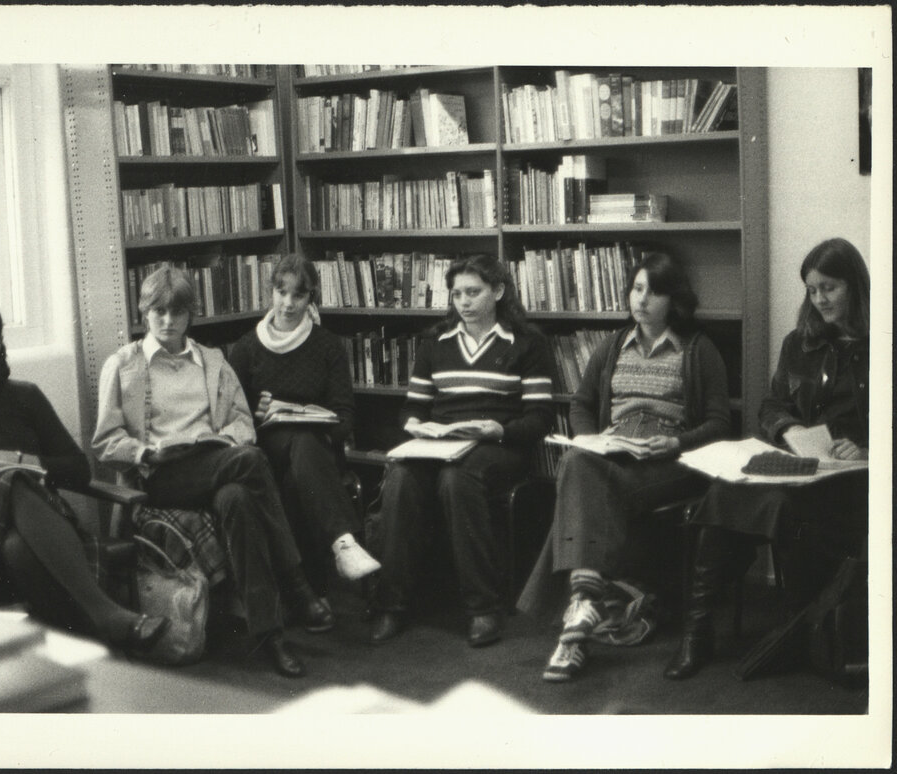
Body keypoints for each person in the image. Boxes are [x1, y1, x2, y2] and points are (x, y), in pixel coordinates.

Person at [92, 266, 333, 678]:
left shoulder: (213, 362)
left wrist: (223, 440)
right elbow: (106, 441)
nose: (168, 321)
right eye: (159, 312)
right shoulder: (123, 365)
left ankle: (270, 636)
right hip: (161, 477)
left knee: (237, 497)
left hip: (214, 467)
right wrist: (145, 452)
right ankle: (297, 584)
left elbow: (242, 423)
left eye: (178, 312)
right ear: (144, 312)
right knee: (251, 461)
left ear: (191, 314)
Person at [517, 252, 731, 682]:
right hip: (615, 451)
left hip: (670, 461)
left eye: (654, 292)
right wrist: (589, 438)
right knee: (579, 460)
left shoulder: (697, 349)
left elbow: (719, 423)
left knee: (580, 475)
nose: (642, 299)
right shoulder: (614, 344)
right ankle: (580, 614)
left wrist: (675, 442)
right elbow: (581, 405)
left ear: (674, 300)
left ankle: (580, 607)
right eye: (637, 288)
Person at [664, 237, 870, 680]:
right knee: (724, 491)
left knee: (779, 505)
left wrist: (867, 447)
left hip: (852, 480)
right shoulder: (800, 343)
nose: (819, 299)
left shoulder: (881, 343)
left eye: (829, 288)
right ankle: (697, 632)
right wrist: (788, 429)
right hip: (801, 464)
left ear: (855, 285)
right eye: (812, 290)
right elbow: (772, 405)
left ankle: (800, 628)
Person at [0, 298, 169, 651]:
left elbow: (78, 470)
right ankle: (106, 620)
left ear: (0, 345)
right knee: (9, 478)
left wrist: (14, 458)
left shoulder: (25, 396)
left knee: (16, 543)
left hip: (37, 521)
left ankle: (85, 646)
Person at [369, 253, 555, 647]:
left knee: (458, 478)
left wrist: (499, 429)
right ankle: (391, 605)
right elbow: (414, 405)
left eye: (473, 292)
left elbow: (540, 418)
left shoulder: (527, 343)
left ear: (498, 292)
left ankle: (482, 608)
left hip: (498, 446)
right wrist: (414, 424)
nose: (464, 302)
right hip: (441, 443)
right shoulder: (436, 342)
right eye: (457, 294)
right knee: (401, 477)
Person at [228, 254, 380, 589]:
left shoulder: (328, 346)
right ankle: (344, 544)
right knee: (300, 447)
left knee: (302, 456)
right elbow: (232, 416)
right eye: (281, 292)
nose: (288, 303)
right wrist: (256, 412)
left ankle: (308, 596)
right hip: (265, 452)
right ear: (270, 292)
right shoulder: (246, 348)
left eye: (298, 295)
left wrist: (321, 428)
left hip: (318, 450)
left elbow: (345, 415)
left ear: (311, 297)